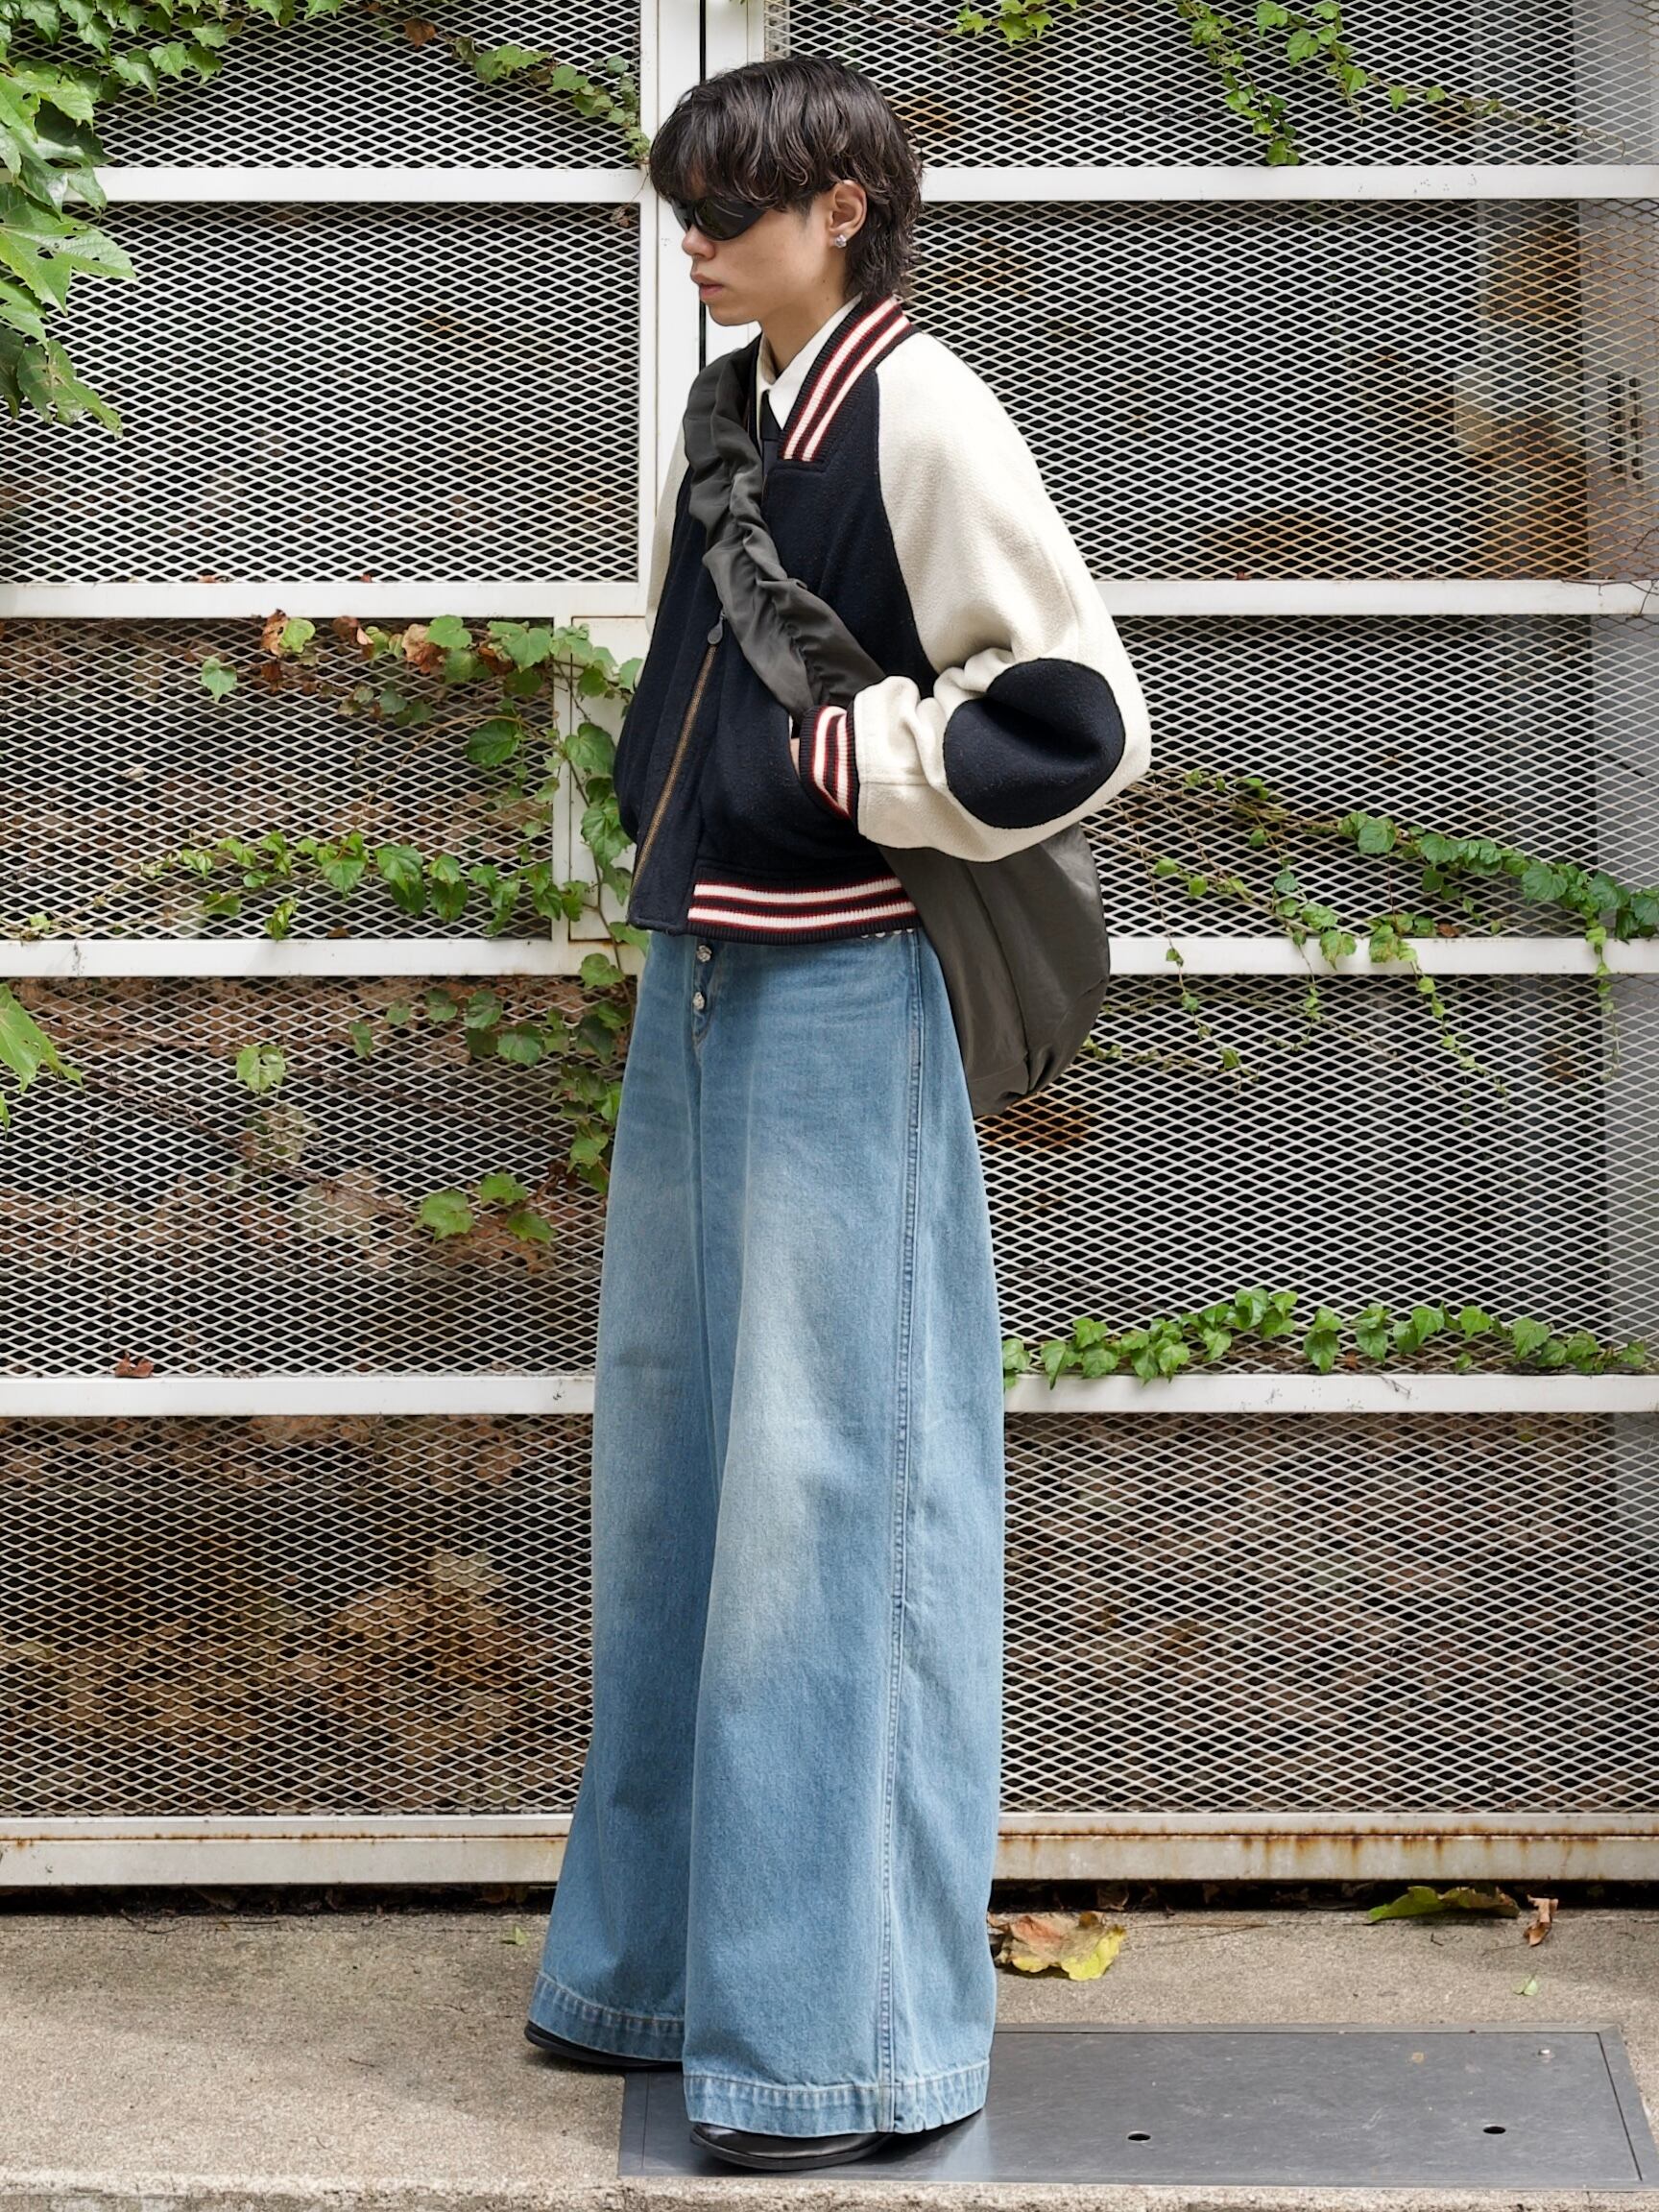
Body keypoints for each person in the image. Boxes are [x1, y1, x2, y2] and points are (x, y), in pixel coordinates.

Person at [524, 53, 1152, 2177]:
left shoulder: (923, 406)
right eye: (684, 209)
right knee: (679, 1469)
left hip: (841, 990)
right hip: (706, 977)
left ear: (843, 212)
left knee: (830, 1498)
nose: (696, 241)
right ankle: (658, 1975)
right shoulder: (740, 404)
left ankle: (838, 2048)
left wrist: (843, 772)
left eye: (731, 209)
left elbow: (1074, 712)